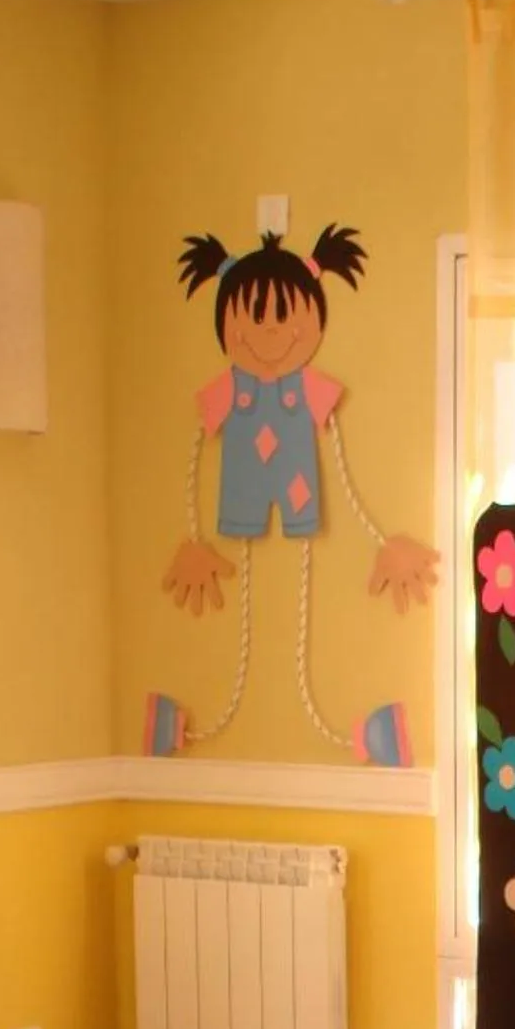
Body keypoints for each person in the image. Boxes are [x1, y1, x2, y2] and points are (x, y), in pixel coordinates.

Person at [146, 224, 438, 762]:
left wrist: (381, 540)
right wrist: (193, 539)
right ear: (229, 322)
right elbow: (194, 456)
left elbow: (344, 474)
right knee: (246, 608)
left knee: (301, 594)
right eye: (255, 316)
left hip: (297, 495)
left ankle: (341, 733)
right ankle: (193, 728)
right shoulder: (229, 391)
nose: (270, 331)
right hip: (242, 498)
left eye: (284, 315)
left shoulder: (309, 391)